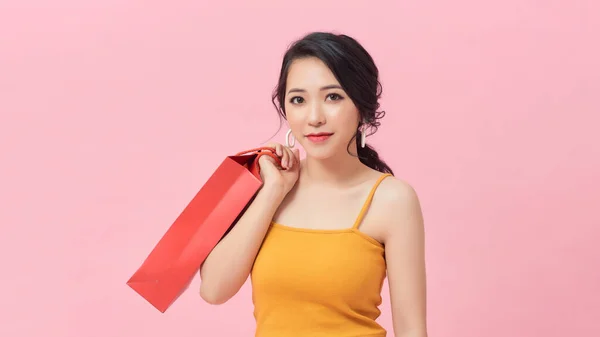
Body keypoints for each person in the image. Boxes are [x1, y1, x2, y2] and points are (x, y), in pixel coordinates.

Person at [199, 31, 428, 337]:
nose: (315, 117)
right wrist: (272, 193)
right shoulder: (268, 186)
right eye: (298, 100)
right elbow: (213, 290)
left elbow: (412, 330)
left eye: (333, 97)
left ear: (360, 106)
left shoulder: (392, 200)